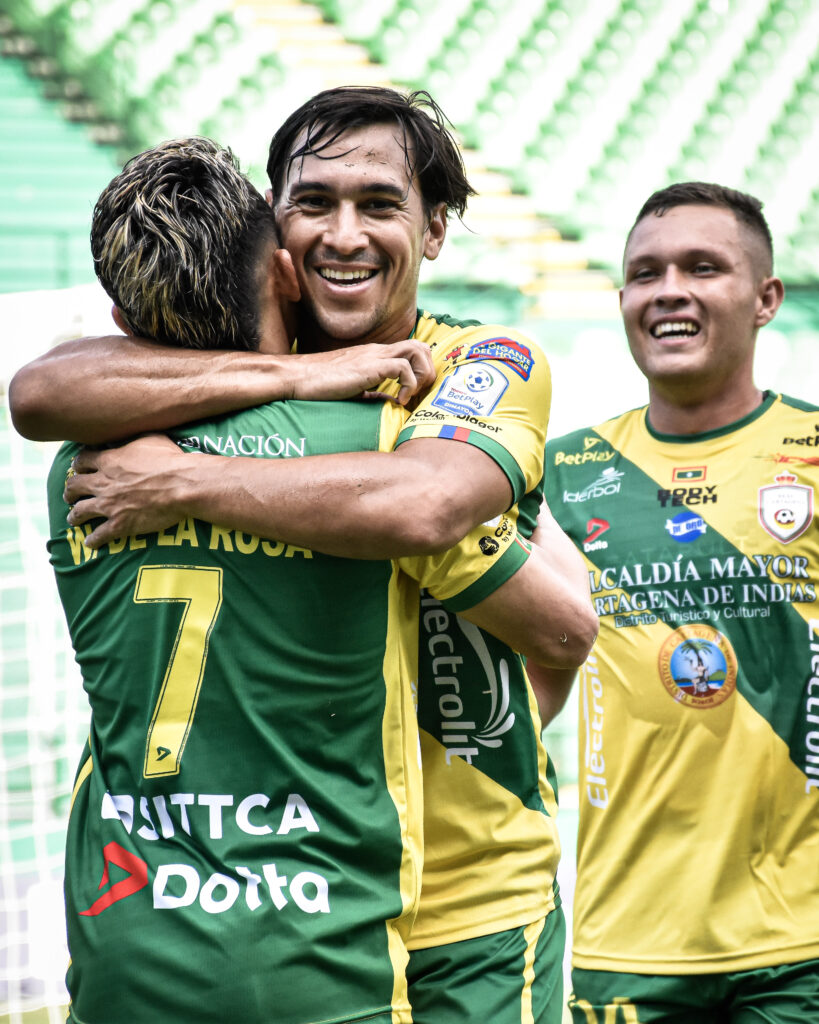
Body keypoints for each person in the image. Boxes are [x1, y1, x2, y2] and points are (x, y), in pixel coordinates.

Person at [16, 89, 598, 1022]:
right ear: (275, 235)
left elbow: (527, 596)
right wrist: (297, 377)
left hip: (466, 899)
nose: (343, 233)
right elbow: (41, 388)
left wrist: (181, 485)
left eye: (378, 205)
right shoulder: (195, 379)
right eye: (313, 202)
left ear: (436, 231)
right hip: (314, 899)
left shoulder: (478, 363)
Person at [535, 182, 819, 1023]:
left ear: (766, 298)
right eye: (645, 272)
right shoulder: (559, 473)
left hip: (798, 943)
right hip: (622, 941)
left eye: (703, 268)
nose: (668, 291)